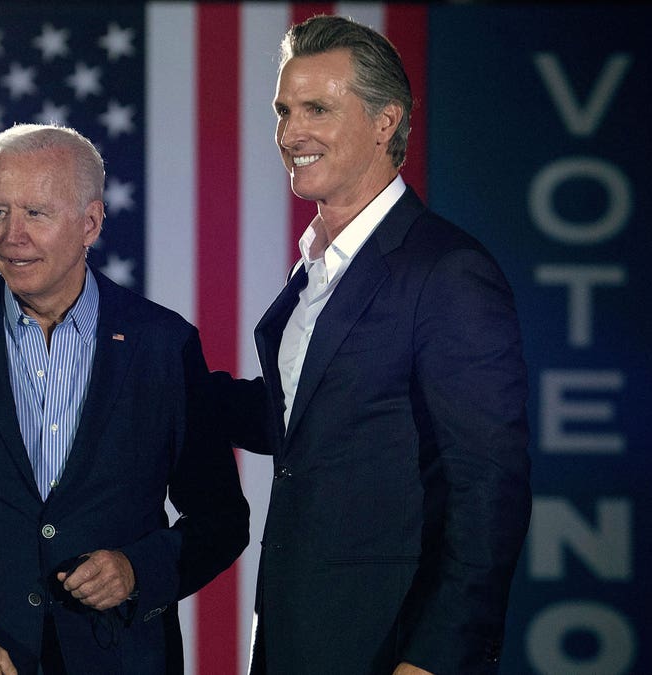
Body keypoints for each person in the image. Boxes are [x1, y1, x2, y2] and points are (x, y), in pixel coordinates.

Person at [0, 123, 249, 675]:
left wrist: (137, 570)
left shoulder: (163, 345)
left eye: (35, 214)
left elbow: (221, 517)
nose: (11, 235)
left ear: (90, 222)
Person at [210, 15, 531, 675]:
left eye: (317, 109)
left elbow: (487, 490)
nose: (290, 132)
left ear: (387, 122)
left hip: (388, 647)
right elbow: (306, 425)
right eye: (284, 110)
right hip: (295, 639)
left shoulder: (446, 272)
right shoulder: (317, 267)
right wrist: (165, 378)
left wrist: (434, 659)